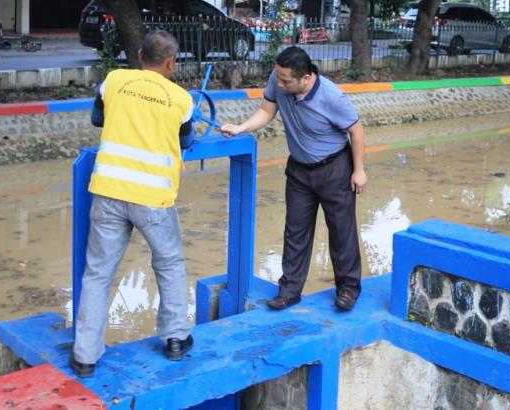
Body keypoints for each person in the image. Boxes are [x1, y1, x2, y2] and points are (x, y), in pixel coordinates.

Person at [70, 30, 195, 378]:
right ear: (171, 63)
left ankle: (85, 356)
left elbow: (98, 119)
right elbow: (186, 140)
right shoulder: (182, 99)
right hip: (153, 199)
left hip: (108, 191)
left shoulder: (114, 81)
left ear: (140, 55)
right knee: (169, 264)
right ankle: (175, 339)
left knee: (97, 273)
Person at [220, 46, 367, 311]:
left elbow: (356, 131)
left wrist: (359, 170)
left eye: (286, 80)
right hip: (299, 170)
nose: (279, 83)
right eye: (277, 77)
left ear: (306, 78)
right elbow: (266, 111)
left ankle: (347, 289)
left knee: (341, 231)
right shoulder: (278, 80)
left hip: (335, 168)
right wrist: (240, 127)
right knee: (295, 231)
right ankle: (289, 291)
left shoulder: (331, 97)